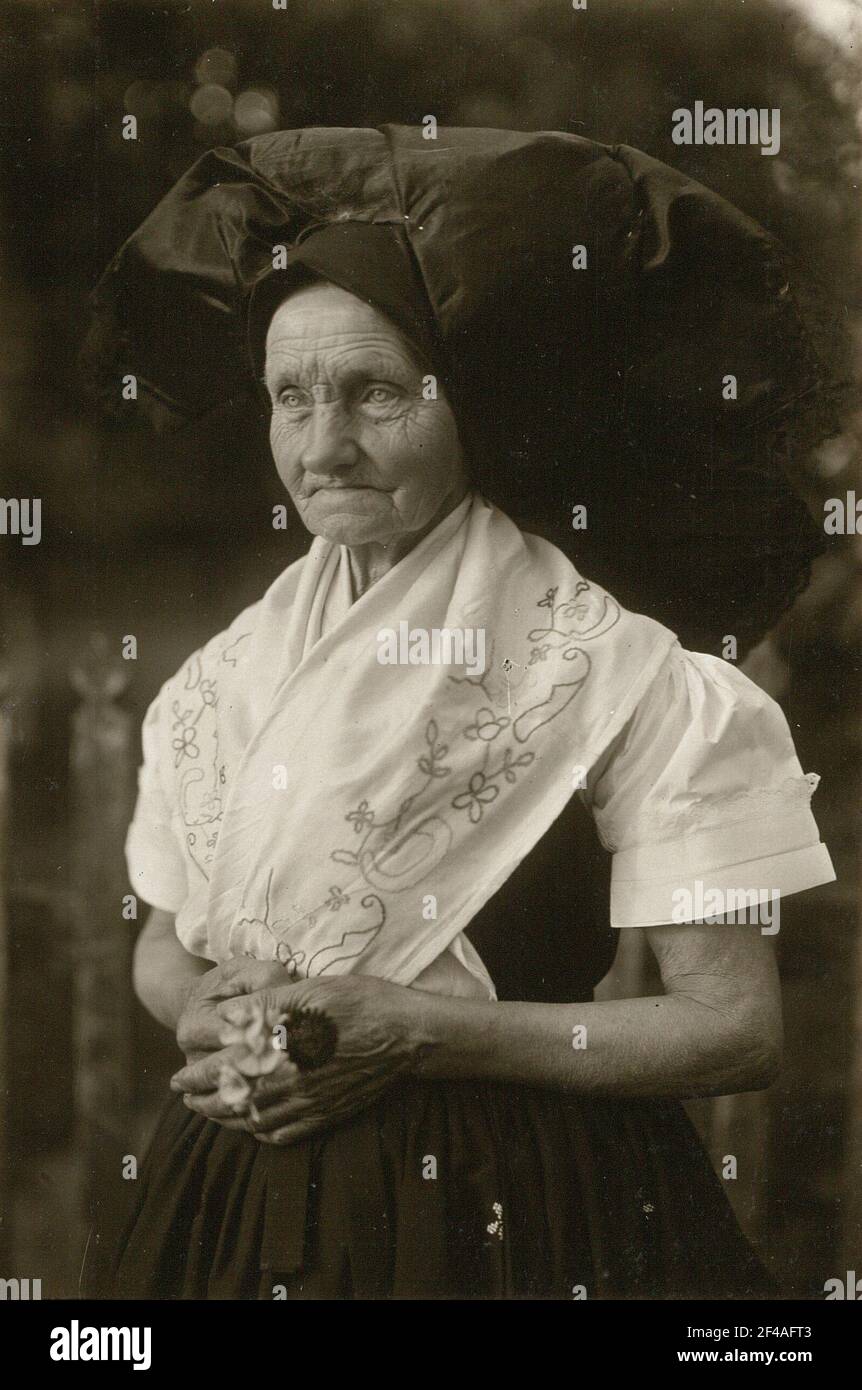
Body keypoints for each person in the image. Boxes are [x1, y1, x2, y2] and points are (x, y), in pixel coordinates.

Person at [84, 127, 835, 1299]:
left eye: (377, 392)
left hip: (523, 1206)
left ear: (469, 405)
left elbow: (733, 1029)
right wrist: (205, 1015)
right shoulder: (218, 682)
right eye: (291, 398)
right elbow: (163, 941)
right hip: (235, 1195)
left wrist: (416, 1031)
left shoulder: (626, 676)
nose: (322, 447)